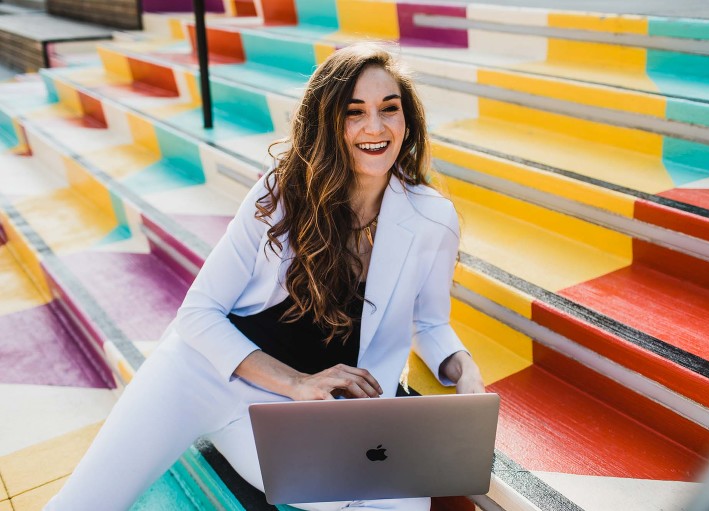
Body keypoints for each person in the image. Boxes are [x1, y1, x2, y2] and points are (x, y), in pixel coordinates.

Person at [45, 42, 485, 511]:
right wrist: (294, 381)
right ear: (328, 122)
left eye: (388, 109)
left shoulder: (432, 218)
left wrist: (464, 369)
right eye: (353, 112)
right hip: (203, 375)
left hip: (295, 413)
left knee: (404, 502)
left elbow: (431, 322)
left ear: (407, 120)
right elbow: (198, 314)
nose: (374, 128)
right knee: (87, 501)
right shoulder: (281, 192)